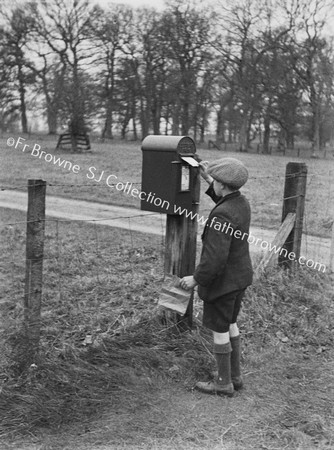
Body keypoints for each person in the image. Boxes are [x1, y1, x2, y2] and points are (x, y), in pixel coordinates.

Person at [180, 157, 253, 397]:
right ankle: (235, 376)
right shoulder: (241, 203)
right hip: (239, 278)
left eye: (217, 182)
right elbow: (224, 199)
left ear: (223, 185)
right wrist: (208, 178)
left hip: (223, 283)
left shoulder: (221, 216)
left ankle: (223, 383)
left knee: (219, 329)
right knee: (231, 323)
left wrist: (196, 279)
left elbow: (214, 260)